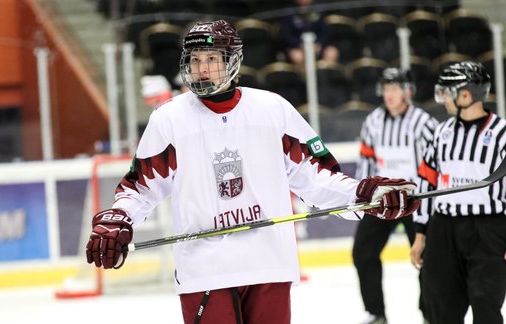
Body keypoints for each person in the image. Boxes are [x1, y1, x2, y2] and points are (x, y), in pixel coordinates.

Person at [85, 20, 420, 324]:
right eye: (196, 60)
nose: (202, 69)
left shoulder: (272, 109)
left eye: (211, 59)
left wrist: (366, 195)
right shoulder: (169, 119)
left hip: (269, 264)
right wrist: (120, 218)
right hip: (205, 271)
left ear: (231, 61)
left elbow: (317, 177)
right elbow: (141, 187)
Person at [410, 61, 506, 324]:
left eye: (448, 92)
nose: (443, 99)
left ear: (466, 94)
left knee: (486, 304)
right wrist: (420, 233)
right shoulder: (441, 133)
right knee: (440, 305)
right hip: (444, 229)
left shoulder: (502, 135)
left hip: (489, 231)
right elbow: (427, 183)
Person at [352, 68, 438, 324]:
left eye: (395, 89)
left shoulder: (424, 123)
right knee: (362, 253)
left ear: (408, 92)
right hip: (383, 202)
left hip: (418, 201)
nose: (389, 95)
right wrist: (363, 197)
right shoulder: (373, 122)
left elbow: (436, 164)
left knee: (427, 258)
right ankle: (376, 313)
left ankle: (429, 312)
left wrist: (432, 200)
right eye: (386, 89)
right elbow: (366, 162)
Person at [278, 0, 338, 69]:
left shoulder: (317, 8)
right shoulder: (289, 11)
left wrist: (319, 44)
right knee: (297, 57)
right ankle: (304, 78)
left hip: (317, 45)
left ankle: (325, 77)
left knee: (332, 52)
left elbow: (324, 31)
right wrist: (300, 45)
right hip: (298, 47)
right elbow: (286, 35)